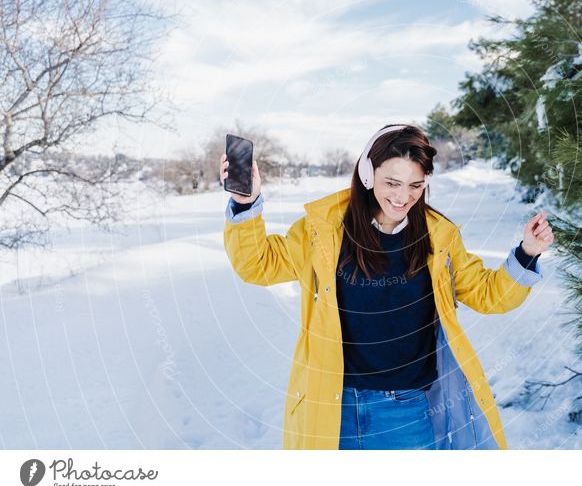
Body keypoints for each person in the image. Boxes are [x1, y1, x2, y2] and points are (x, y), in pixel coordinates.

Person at [220, 124, 554, 450]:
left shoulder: (439, 238)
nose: (403, 196)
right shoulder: (322, 231)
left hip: (406, 413)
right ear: (367, 174)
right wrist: (246, 204)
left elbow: (487, 293)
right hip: (331, 410)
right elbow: (258, 264)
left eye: (415, 185)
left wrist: (527, 254)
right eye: (392, 182)